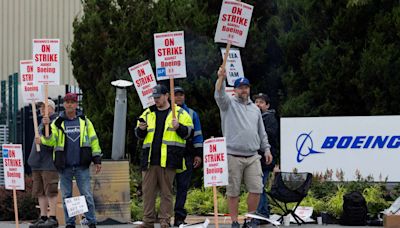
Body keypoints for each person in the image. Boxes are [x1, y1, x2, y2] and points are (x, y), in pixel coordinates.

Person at [214, 67, 273, 228]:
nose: (243, 90)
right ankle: (234, 222)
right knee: (233, 191)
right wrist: (221, 78)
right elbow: (219, 94)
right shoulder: (227, 104)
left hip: (253, 155)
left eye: (246, 87)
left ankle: (250, 219)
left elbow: (261, 132)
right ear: (234, 90)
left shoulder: (255, 108)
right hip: (233, 154)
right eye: (240, 87)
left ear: (249, 89)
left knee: (256, 189)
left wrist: (266, 149)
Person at [135, 84, 193, 228]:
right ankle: (148, 221)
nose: (156, 100)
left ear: (167, 96)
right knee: (148, 193)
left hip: (169, 159)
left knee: (166, 193)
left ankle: (164, 221)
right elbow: (139, 134)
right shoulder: (147, 113)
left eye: (158, 97)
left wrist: (179, 127)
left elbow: (189, 133)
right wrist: (141, 129)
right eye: (154, 98)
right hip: (149, 160)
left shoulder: (179, 113)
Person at [41, 93, 102, 228]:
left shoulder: (85, 121)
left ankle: (91, 221)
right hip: (65, 166)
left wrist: (97, 159)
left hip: (82, 165)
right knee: (66, 197)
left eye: (72, 102)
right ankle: (70, 223)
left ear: (76, 104)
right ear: (64, 104)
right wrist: (46, 129)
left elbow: (94, 140)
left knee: (87, 195)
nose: (69, 104)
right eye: (67, 102)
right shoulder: (57, 122)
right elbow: (50, 141)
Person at [173, 86, 204, 226]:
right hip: (168, 155)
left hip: (186, 155)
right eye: (176, 95)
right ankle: (164, 216)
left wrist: (198, 154)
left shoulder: (192, 114)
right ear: (170, 96)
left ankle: (179, 217)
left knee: (182, 187)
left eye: (181, 95)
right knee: (166, 188)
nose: (178, 97)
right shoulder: (166, 112)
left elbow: (198, 135)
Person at [28, 99, 59, 228]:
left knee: (50, 190)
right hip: (37, 163)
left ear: (52, 108)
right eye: (41, 107)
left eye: (45, 107)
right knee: (40, 191)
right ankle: (43, 216)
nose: (41, 109)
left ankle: (52, 217)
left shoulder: (56, 122)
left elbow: (54, 139)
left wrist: (49, 126)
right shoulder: (40, 123)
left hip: (49, 163)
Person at [253, 93, 278, 222]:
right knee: (258, 186)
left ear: (267, 105)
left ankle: (262, 213)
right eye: (256, 101)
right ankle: (264, 212)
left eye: (261, 102)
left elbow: (269, 136)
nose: (258, 104)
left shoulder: (269, 118)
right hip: (256, 159)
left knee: (259, 186)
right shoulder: (254, 118)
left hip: (265, 159)